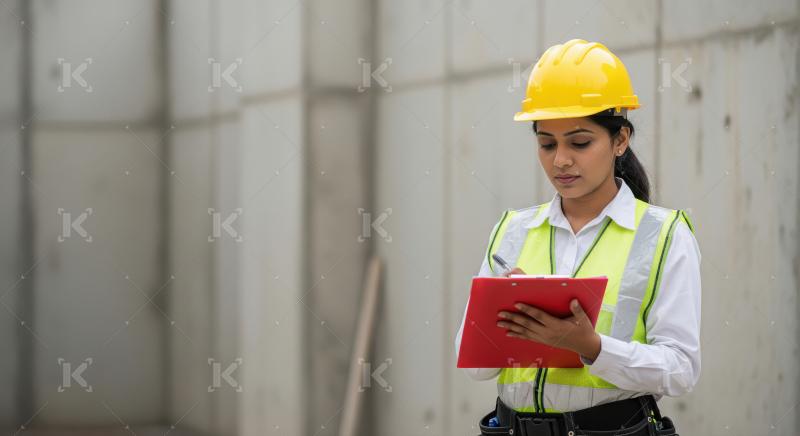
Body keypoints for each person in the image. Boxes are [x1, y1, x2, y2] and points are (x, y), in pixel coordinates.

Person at [454, 39, 701, 436]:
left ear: (620, 140)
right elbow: (477, 369)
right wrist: (494, 320)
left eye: (580, 142)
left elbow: (681, 369)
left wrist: (592, 347)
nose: (561, 160)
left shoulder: (665, 235)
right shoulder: (512, 229)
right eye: (547, 144)